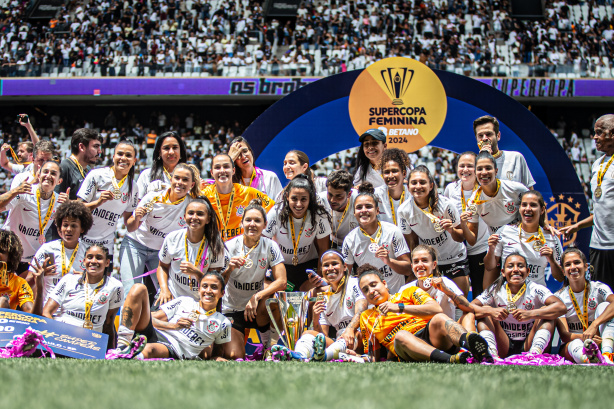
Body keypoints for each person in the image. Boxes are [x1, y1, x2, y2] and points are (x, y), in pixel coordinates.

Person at [357, 264, 493, 363]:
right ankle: (451, 359)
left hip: (430, 335)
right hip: (407, 347)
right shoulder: (366, 316)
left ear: (385, 284)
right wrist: (357, 356)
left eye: (374, 285)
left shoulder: (409, 292)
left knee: (439, 318)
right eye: (366, 290)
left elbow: (436, 309)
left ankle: (471, 345)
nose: (371, 291)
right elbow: (373, 354)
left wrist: (399, 308)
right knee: (401, 336)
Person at [271, 249, 368, 362]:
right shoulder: (324, 296)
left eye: (334, 264)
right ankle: (299, 356)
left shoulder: (355, 283)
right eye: (326, 265)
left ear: (345, 267)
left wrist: (350, 329)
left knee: (355, 333)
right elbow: (322, 337)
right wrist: (316, 319)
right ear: (321, 270)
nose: (330, 268)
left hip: (361, 338)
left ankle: (325, 356)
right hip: (338, 344)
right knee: (308, 334)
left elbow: (361, 311)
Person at [110, 271, 230, 360]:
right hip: (156, 332)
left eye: (214, 287)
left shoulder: (223, 322)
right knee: (138, 288)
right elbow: (153, 319)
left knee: (149, 349)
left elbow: (217, 353)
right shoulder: (184, 301)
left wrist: (215, 357)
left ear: (222, 293)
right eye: (205, 286)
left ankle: (130, 356)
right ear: (199, 289)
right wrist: (174, 326)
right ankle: (122, 347)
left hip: (174, 347)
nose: (208, 291)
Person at [118, 164, 200, 294]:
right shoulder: (153, 197)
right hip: (135, 245)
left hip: (162, 253)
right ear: (171, 179)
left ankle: (154, 314)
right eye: (177, 178)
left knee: (167, 293)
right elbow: (131, 227)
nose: (180, 182)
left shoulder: (192, 205)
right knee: (130, 292)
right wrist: (137, 218)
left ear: (192, 185)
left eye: (185, 180)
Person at [222, 199, 287, 359]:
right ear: (241, 223)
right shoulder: (229, 247)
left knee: (273, 302)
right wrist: (229, 269)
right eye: (248, 220)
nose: (252, 224)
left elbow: (282, 281)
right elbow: (217, 284)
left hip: (256, 307)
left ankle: (268, 347)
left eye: (257, 220)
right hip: (232, 308)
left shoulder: (270, 246)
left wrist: (257, 296)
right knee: (233, 355)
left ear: (265, 225)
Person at [470, 253, 566, 359]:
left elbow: (561, 307)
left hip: (529, 342)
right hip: (504, 344)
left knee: (547, 313)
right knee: (485, 311)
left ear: (528, 271)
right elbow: (470, 307)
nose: (515, 270)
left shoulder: (536, 289)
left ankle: (535, 354)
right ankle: (491, 354)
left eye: (520, 266)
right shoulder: (495, 289)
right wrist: (491, 312)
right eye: (510, 266)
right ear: (503, 272)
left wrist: (530, 314)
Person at [398, 166, 472, 295]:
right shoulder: (403, 211)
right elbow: (413, 243)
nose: (418, 186)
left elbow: (461, 237)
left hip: (454, 258)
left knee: (460, 302)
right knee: (430, 304)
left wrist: (451, 230)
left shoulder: (446, 205)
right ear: (408, 187)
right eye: (414, 183)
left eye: (422, 182)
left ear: (431, 185)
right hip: (428, 262)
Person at [561, 114, 614, 290]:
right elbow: (602, 210)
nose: (594, 137)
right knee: (603, 297)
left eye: (599, 133)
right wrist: (578, 226)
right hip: (598, 245)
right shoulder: (597, 164)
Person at [41, 245, 123, 345]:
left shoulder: (115, 286)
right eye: (90, 257)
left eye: (99, 258)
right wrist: (57, 336)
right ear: (84, 261)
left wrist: (110, 354)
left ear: (107, 263)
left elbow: (108, 324)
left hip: (90, 344)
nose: (93, 261)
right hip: (62, 339)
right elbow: (46, 312)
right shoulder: (68, 280)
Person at [342, 183, 412, 295]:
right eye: (359, 207)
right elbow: (345, 277)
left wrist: (388, 261)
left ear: (377, 211)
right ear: (354, 213)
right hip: (370, 299)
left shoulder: (393, 231)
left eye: (368, 206)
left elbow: (408, 269)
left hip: (396, 296)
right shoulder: (349, 240)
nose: (363, 210)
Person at [264, 175, 331, 291]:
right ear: (287, 196)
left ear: (310, 198)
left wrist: (320, 278)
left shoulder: (319, 215)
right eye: (294, 199)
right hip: (280, 267)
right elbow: (262, 243)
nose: (299, 204)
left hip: (309, 267)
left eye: (304, 199)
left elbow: (323, 250)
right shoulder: (276, 212)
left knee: (318, 290)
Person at [0, 161, 68, 275]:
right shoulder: (24, 192)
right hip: (8, 253)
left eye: (53, 173)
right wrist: (15, 191)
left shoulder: (60, 201)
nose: (48, 176)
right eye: (45, 172)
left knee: (30, 291)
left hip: (32, 259)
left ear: (59, 181)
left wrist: (68, 205)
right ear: (38, 175)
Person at [484, 190, 564, 288]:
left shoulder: (551, 237)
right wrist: (491, 249)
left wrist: (552, 261)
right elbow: (489, 266)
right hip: (508, 296)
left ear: (542, 210)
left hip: (537, 297)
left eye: (533, 205)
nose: (528, 209)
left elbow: (561, 277)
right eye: (524, 205)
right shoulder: (504, 231)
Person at [77, 141, 139, 265]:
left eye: (128, 155)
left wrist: (138, 216)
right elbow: (77, 209)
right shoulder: (97, 175)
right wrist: (98, 202)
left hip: (106, 246)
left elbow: (129, 224)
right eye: (120, 154)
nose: (123, 158)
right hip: (82, 241)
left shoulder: (133, 187)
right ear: (113, 157)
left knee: (103, 284)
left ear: (134, 161)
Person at [156, 198, 228, 304]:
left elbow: (213, 282)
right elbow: (162, 266)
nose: (194, 217)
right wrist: (164, 289)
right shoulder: (172, 238)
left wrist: (196, 272)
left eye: (200, 214)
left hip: (200, 301)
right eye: (190, 213)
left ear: (208, 219)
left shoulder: (215, 245)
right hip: (172, 296)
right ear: (184, 217)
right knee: (150, 319)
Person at [26, 201, 92, 310]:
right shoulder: (47, 249)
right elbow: (27, 283)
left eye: (74, 225)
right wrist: (38, 277)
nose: (69, 229)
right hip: (47, 311)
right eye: (65, 225)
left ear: (82, 228)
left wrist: (89, 278)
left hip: (74, 313)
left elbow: (100, 284)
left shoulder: (89, 253)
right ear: (59, 228)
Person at [556, 248, 614, 364]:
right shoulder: (559, 297)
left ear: (586, 266)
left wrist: (595, 325)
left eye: (577, 262)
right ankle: (590, 359)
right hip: (574, 344)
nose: (573, 267)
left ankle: (607, 354)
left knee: (606, 306)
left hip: (601, 342)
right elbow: (565, 336)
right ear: (563, 271)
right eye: (568, 264)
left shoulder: (599, 288)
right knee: (576, 344)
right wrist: (586, 338)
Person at [444, 151, 489, 297]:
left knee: (479, 293)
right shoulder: (451, 189)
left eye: (470, 166)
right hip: (457, 251)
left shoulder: (484, 190)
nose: (465, 169)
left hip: (479, 249)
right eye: (461, 165)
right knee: (458, 296)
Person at [202, 154, 274, 241]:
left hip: (240, 250)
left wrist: (265, 234)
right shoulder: (203, 196)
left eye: (226, 167)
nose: (222, 171)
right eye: (217, 167)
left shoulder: (248, 193)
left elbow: (275, 209)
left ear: (233, 170)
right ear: (212, 172)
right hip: (214, 249)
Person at [401, 245, 476, 321]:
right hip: (418, 330)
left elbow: (469, 308)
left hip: (446, 330)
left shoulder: (444, 282)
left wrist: (446, 290)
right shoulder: (405, 289)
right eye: (416, 262)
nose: (420, 265)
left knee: (469, 316)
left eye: (424, 260)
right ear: (412, 266)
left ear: (434, 265)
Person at [467, 151, 529, 234]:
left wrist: (546, 224)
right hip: (498, 244)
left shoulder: (516, 188)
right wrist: (464, 225)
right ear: (475, 172)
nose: (484, 172)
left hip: (521, 240)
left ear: (496, 171)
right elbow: (471, 240)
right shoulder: (473, 201)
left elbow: (537, 203)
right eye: (479, 169)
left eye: (488, 168)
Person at [473, 115, 535, 188]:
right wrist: (484, 158)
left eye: (488, 134)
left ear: (498, 136)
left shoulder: (515, 158)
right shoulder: (472, 164)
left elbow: (529, 191)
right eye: (480, 135)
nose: (484, 138)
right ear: (476, 138)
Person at [135, 131, 187, 201]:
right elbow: (137, 205)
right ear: (159, 152)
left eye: (175, 148)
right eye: (166, 148)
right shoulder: (147, 175)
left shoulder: (191, 176)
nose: (171, 152)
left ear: (180, 151)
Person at [56, 128, 103, 201]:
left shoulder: (89, 169)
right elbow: (54, 202)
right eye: (95, 146)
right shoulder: (64, 167)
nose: (99, 151)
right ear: (81, 147)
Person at [319, 170, 359, 249]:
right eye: (330, 194)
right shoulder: (320, 200)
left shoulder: (359, 199)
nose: (332, 200)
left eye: (339, 196)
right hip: (330, 242)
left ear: (349, 194)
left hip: (355, 244)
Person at [0, 230, 35, 313]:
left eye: (1, 251)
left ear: (10, 256)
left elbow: (31, 313)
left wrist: (40, 287)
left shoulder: (19, 283)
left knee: (2, 301)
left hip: (5, 324)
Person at [374, 148, 410, 225]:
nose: (390, 176)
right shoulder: (376, 195)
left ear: (404, 173)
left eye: (394, 171)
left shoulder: (412, 194)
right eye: (386, 172)